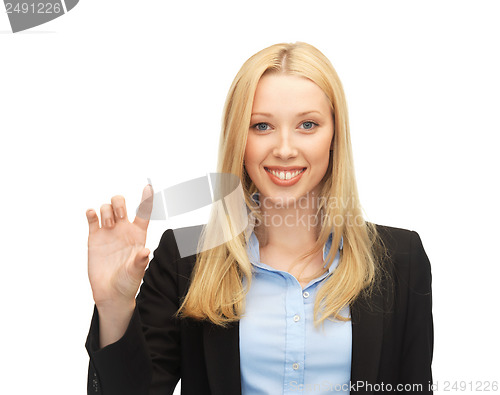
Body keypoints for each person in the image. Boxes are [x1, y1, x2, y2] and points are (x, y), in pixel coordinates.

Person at [85, 41, 433, 395]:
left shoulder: (399, 259)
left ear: (334, 136)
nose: (284, 149)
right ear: (239, 137)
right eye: (262, 126)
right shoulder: (186, 258)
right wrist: (113, 306)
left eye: (308, 125)